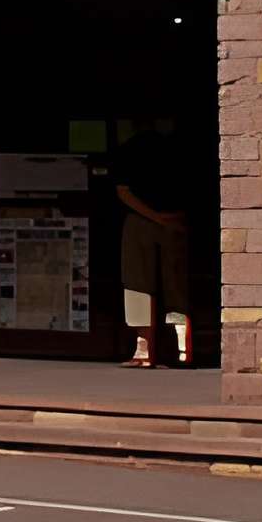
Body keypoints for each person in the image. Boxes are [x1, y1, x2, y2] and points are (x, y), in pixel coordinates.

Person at [114, 132, 191, 369]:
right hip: (173, 221)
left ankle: (146, 349)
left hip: (144, 221)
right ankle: (180, 350)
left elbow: (123, 191)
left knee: (139, 286)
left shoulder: (131, 147)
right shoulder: (178, 147)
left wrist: (155, 217)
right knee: (174, 288)